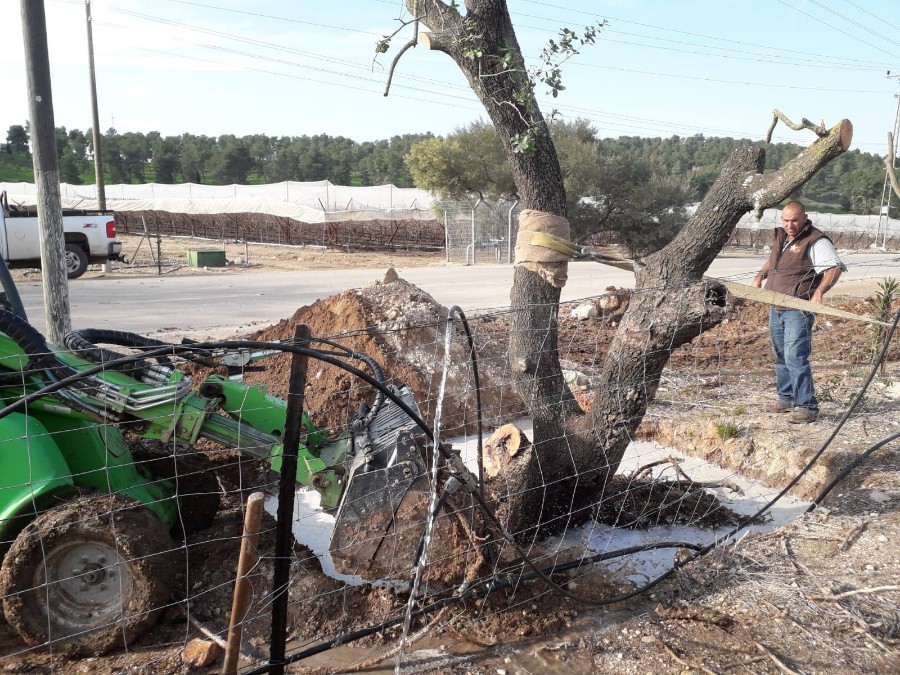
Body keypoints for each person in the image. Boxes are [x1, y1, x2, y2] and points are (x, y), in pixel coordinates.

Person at [751, 201, 846, 424]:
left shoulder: (816, 240)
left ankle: (807, 407)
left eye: (794, 220)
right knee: (781, 355)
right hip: (775, 306)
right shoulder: (783, 237)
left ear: (805, 217)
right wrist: (759, 276)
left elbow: (834, 268)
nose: (790, 225)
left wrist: (819, 292)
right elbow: (774, 261)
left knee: (795, 356)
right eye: (785, 220)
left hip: (798, 310)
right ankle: (786, 397)